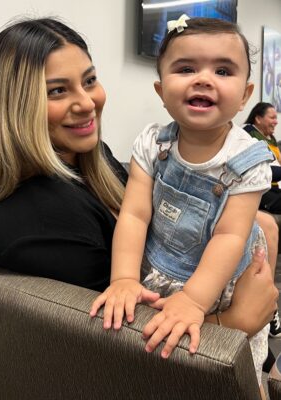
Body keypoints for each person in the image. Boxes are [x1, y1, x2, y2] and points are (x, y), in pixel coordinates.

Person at [0, 17, 278, 395]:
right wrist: (238, 321)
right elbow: (127, 335)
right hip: (194, 342)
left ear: (245, 93)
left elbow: (225, 226)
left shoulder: (92, 157)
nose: (87, 103)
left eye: (89, 81)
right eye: (56, 91)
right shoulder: (37, 218)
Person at [91, 16, 275, 394]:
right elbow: (135, 214)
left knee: (232, 374)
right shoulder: (153, 144)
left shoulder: (250, 161)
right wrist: (123, 278)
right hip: (159, 266)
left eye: (223, 70)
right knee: (160, 362)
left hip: (219, 281)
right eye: (186, 68)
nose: (203, 78)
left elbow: (229, 235)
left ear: (245, 94)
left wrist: (193, 299)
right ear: (161, 90)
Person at [244, 102, 281, 339]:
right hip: (262, 193)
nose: (275, 122)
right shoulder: (249, 137)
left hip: (272, 189)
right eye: (272, 117)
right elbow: (264, 172)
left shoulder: (271, 140)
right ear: (257, 118)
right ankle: (270, 308)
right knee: (267, 224)